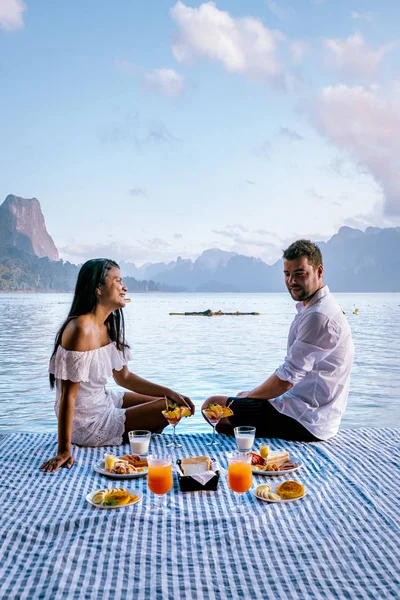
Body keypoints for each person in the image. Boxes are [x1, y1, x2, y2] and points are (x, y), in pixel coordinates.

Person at [40, 258, 194, 472]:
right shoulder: (80, 328)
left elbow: (124, 378)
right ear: (98, 289)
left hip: (103, 401)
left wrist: (170, 391)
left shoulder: (109, 323)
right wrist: (64, 450)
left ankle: (144, 427)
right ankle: (138, 429)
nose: (125, 287)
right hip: (86, 421)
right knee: (169, 408)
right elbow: (69, 396)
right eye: (118, 281)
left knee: (169, 401)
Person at [202, 240, 354, 442]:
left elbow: (286, 379)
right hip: (310, 412)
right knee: (229, 412)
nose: (292, 280)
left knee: (212, 406)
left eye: (300, 273)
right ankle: (254, 435)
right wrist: (251, 397)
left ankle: (254, 440)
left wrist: (248, 398)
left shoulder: (318, 316)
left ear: (319, 271)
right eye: (287, 274)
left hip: (305, 420)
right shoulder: (316, 307)